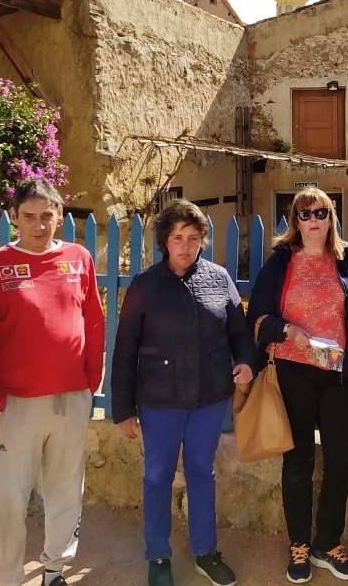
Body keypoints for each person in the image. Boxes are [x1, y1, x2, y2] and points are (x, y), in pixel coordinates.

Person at [111, 199, 254, 586]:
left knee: (201, 474)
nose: (186, 246)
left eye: (193, 238)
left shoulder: (220, 278)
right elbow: (124, 349)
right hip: (159, 400)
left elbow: (240, 333)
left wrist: (246, 362)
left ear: (202, 241)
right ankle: (158, 557)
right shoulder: (144, 285)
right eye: (178, 238)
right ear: (165, 241)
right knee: (157, 476)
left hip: (209, 399)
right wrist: (121, 408)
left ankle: (206, 552)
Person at [0, 178, 105, 586]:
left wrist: (89, 381)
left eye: (47, 216)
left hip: (70, 398)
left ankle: (54, 570)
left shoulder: (78, 257)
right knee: (10, 499)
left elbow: (94, 319)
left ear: (60, 216)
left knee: (66, 490)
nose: (39, 225)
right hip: (14, 403)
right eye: (29, 216)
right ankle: (7, 577)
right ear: (13, 218)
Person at [245, 187, 348, 583]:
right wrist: (287, 330)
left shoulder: (347, 260)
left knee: (341, 460)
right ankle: (299, 544)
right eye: (305, 214)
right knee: (298, 460)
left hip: (337, 374)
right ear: (294, 221)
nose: (314, 220)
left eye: (321, 213)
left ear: (331, 217)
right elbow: (259, 315)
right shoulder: (280, 262)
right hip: (293, 372)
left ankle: (327, 544)